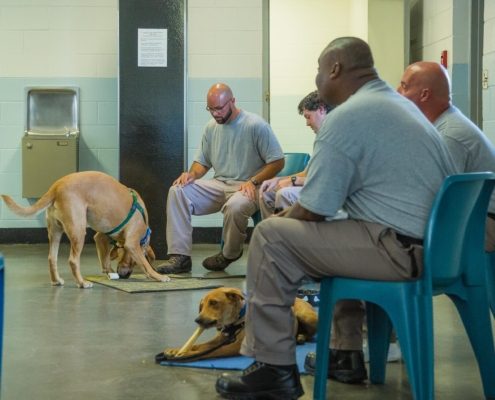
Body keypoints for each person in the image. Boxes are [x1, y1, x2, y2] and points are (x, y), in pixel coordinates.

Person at [214, 37, 457, 399]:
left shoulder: (348, 116)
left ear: (335, 69)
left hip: (400, 250)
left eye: (318, 70)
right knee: (327, 234)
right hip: (434, 248)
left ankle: (273, 368)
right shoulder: (397, 106)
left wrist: (283, 219)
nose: (317, 78)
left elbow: (314, 208)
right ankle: (345, 353)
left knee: (269, 236)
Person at [156, 83, 285, 274]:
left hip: (250, 185)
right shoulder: (211, 127)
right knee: (177, 191)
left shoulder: (256, 125)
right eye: (211, 109)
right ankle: (180, 257)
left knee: (235, 206)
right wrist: (191, 175)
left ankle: (229, 254)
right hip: (220, 184)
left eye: (219, 108)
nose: (215, 114)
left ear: (232, 101)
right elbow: (202, 162)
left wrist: (254, 181)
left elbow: (278, 162)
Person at [398, 61, 495, 251]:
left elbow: (432, 199)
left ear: (424, 94)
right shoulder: (445, 124)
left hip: (486, 223)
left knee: (397, 236)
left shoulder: (449, 136)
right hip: (478, 217)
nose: (397, 92)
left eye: (404, 86)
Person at [258, 91, 333, 219]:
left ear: (321, 110)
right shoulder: (321, 138)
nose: (307, 123)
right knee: (267, 192)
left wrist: (294, 181)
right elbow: (307, 173)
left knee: (285, 194)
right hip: (317, 187)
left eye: (308, 117)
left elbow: (330, 180)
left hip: (330, 193)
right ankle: (272, 229)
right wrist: (278, 180)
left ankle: (287, 231)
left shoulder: (338, 137)